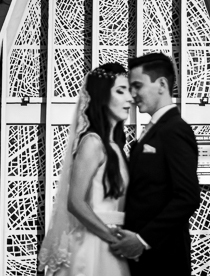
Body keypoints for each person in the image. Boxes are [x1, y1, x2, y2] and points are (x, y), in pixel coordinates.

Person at [38, 63, 134, 276]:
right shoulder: (92, 142)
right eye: (120, 91)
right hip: (95, 243)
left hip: (115, 240)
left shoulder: (117, 146)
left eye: (129, 91)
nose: (129, 99)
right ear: (102, 95)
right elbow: (75, 201)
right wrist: (111, 238)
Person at [110, 53, 201, 276]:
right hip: (142, 261)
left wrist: (142, 240)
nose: (132, 94)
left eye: (137, 86)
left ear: (162, 84)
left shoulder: (175, 130)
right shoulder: (153, 130)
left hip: (163, 261)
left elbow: (187, 196)